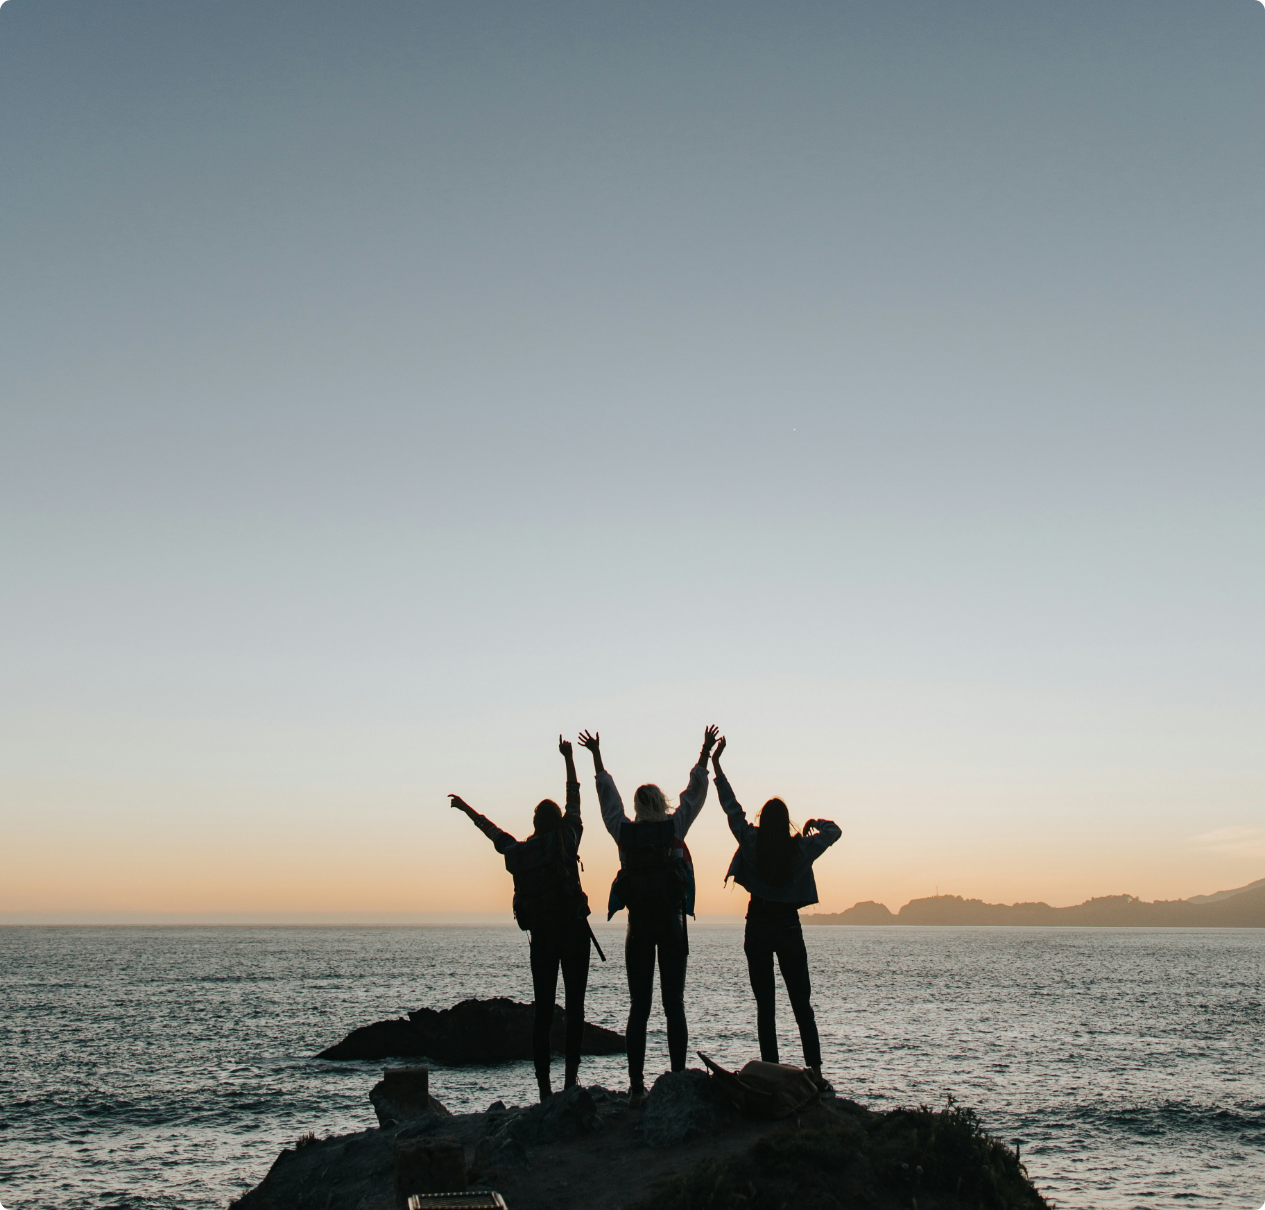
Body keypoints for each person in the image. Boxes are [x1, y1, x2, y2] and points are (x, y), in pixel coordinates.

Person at [577, 725, 718, 1106]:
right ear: (662, 802)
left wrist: (597, 758)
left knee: (639, 1005)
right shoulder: (676, 827)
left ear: (639, 808)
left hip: (637, 928)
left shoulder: (624, 832)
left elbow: (608, 800)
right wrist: (704, 751)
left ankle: (636, 1086)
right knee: (675, 1003)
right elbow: (696, 792)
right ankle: (674, 1079)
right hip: (672, 926)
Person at [448, 736, 592, 1101]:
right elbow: (575, 799)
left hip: (542, 938)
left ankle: (544, 1090)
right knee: (575, 1010)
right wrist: (569, 759)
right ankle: (571, 1081)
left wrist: (466, 809)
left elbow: (493, 833)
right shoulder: (567, 839)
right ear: (558, 821)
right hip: (574, 933)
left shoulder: (522, 853)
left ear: (534, 822)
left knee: (542, 1012)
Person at [711, 735, 840, 1082]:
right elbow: (835, 832)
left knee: (765, 1007)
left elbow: (730, 806)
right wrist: (816, 821)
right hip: (788, 926)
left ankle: (770, 1072)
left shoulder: (750, 840)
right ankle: (814, 1071)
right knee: (801, 1003)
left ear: (762, 819)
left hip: (758, 923)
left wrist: (717, 764)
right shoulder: (800, 849)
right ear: (785, 822)